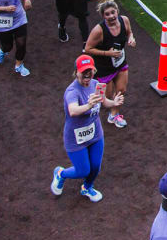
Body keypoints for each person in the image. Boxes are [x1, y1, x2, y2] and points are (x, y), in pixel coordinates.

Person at [50, 55, 122, 202]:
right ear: (76, 72)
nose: (87, 76)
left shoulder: (96, 84)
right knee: (83, 170)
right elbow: (73, 110)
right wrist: (89, 105)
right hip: (76, 139)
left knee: (95, 167)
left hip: (95, 134)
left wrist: (114, 102)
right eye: (83, 73)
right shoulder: (72, 92)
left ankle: (87, 188)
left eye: (89, 72)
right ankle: (61, 174)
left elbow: (104, 102)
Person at [83, 0, 137, 128]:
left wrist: (131, 39)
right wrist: (108, 53)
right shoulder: (99, 30)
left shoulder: (124, 20)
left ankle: (114, 115)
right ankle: (90, 102)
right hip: (104, 68)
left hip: (120, 63)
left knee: (121, 90)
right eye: (107, 14)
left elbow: (129, 33)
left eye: (113, 12)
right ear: (103, 16)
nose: (111, 16)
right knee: (106, 98)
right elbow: (88, 49)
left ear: (117, 11)